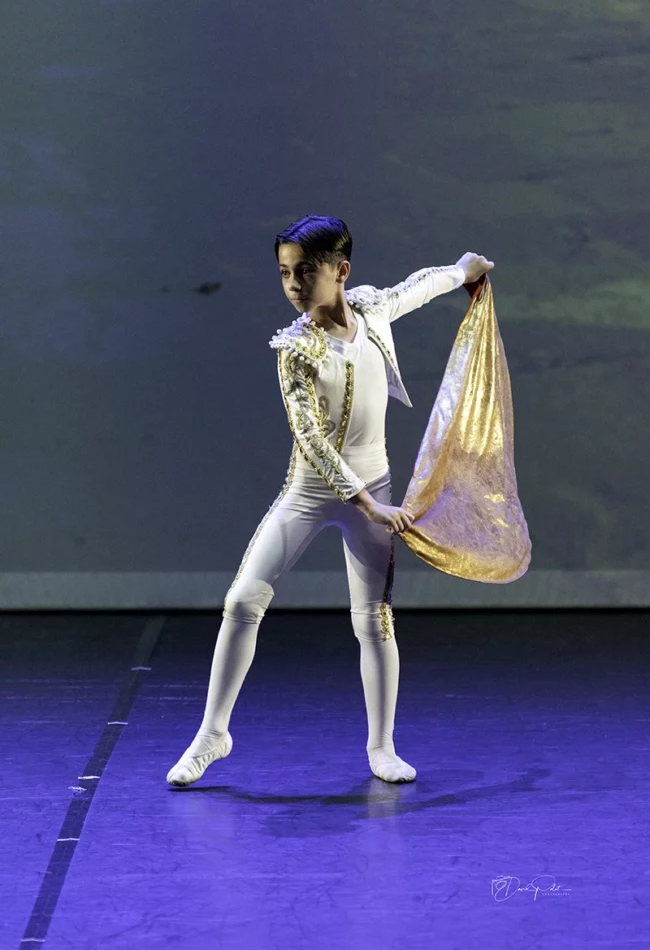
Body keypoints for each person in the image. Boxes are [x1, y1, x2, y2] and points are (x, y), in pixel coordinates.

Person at [166, 214, 494, 787]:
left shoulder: (368, 311)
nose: (292, 285)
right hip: (313, 492)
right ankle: (213, 733)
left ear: (341, 272)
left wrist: (461, 271)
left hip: (377, 489)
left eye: (305, 273)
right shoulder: (293, 348)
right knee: (243, 599)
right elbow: (310, 437)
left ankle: (382, 746)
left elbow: (414, 288)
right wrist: (368, 504)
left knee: (374, 620)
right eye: (285, 274)